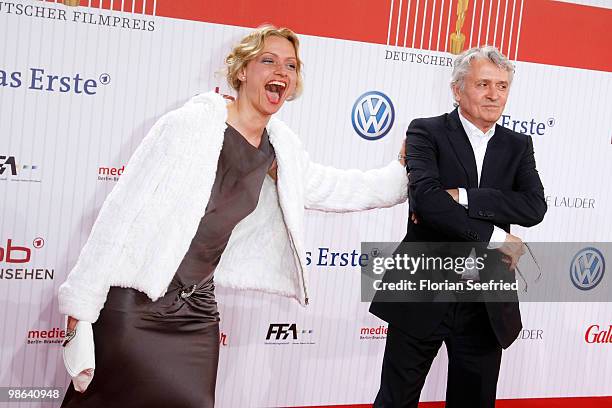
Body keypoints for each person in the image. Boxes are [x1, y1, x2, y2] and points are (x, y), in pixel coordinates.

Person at [58, 25, 408, 408]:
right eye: (269, 60)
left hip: (197, 310)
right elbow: (120, 214)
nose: (282, 72)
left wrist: (404, 172)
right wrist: (80, 305)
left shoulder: (279, 151)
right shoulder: (190, 127)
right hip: (138, 302)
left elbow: (336, 188)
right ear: (242, 70)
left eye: (290, 66)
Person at [370, 46, 547, 407]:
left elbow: (534, 207)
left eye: (502, 86)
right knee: (395, 400)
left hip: (485, 300)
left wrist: (465, 196)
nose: (494, 94)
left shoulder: (518, 145)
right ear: (457, 90)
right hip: (422, 286)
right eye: (483, 84)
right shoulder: (426, 131)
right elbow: (429, 203)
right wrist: (498, 237)